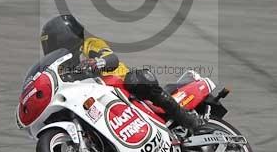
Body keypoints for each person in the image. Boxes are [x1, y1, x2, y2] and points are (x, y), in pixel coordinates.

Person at [39, 14, 203, 131]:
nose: (51, 50)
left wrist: (96, 63)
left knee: (137, 79)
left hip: (123, 86)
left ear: (64, 39)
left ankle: (188, 120)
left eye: (53, 44)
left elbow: (111, 58)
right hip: (101, 102)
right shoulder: (62, 69)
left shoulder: (89, 45)